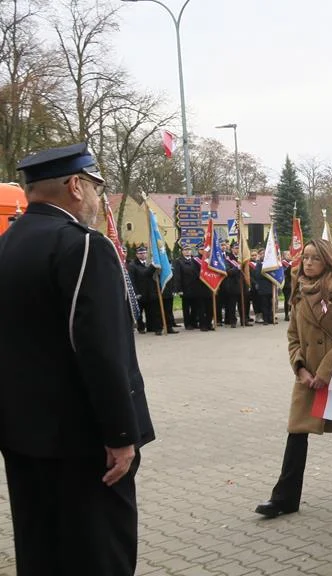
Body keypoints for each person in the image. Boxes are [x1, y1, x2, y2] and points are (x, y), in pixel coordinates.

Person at [0, 142, 155, 575]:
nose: (97, 199)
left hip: (23, 438)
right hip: (85, 443)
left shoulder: (7, 244)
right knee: (99, 555)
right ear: (74, 185)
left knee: (41, 552)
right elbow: (102, 351)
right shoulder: (85, 247)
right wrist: (122, 433)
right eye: (95, 187)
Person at [254, 239, 332, 518]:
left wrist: (324, 373)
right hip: (308, 376)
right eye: (304, 257)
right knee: (297, 431)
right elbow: (293, 336)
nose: (307, 263)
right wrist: (301, 369)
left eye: (314, 258)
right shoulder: (298, 292)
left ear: (327, 261)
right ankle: (284, 498)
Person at [128, 245, 162, 334]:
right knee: (139, 313)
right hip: (140, 292)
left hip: (151, 291)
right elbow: (134, 279)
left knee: (153, 311)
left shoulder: (150, 263)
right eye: (140, 253)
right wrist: (135, 292)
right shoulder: (133, 265)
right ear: (137, 255)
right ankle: (141, 327)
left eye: (144, 253)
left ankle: (154, 328)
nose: (143, 255)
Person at [174, 246, 201, 329]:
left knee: (195, 307)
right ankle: (188, 324)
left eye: (189, 250)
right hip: (185, 288)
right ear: (182, 251)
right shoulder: (179, 261)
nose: (188, 251)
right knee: (186, 308)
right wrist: (179, 289)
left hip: (195, 287)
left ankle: (194, 322)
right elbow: (177, 276)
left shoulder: (195, 260)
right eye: (185, 250)